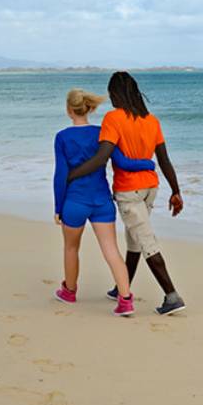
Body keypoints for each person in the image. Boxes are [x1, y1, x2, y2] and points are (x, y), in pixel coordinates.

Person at [66, 72, 186, 315]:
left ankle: (172, 296)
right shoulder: (151, 120)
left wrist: (73, 174)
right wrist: (176, 191)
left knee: (145, 241)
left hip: (129, 190)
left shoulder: (113, 118)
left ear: (115, 94)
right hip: (150, 188)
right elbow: (164, 159)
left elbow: (102, 156)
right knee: (134, 240)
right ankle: (122, 287)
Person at [53, 88, 156, 316]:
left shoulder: (62, 137)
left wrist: (58, 207)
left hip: (74, 202)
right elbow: (123, 163)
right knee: (111, 250)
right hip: (101, 201)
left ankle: (69, 291)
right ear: (89, 108)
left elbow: (60, 175)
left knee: (71, 247)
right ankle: (126, 300)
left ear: (69, 110)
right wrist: (148, 165)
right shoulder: (102, 133)